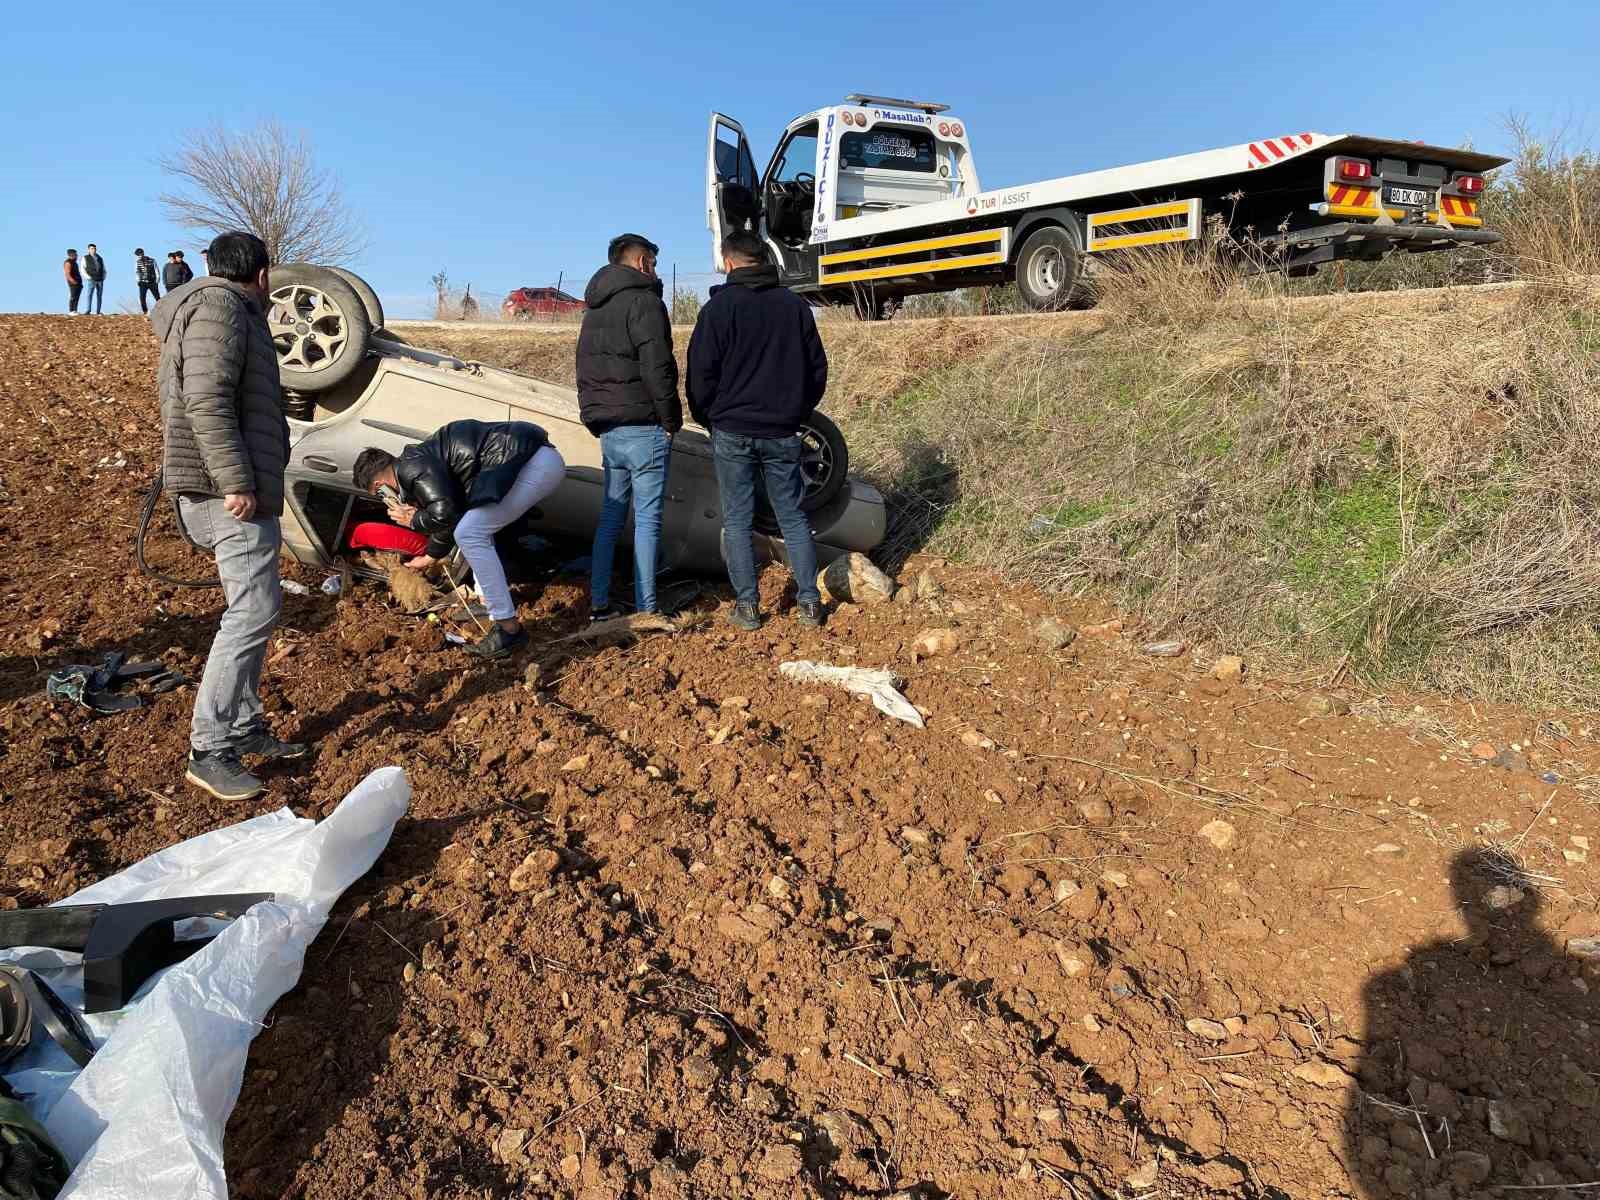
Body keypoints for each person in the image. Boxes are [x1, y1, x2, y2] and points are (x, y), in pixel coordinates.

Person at [151, 230, 304, 802]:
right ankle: (210, 748)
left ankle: (241, 727)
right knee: (253, 610)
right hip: (229, 492)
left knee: (257, 608)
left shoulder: (216, 310)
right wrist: (236, 479)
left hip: (228, 486)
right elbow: (208, 400)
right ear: (262, 275)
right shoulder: (222, 309)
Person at [687, 231, 829, 630]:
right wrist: (796, 411)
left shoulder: (717, 310)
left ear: (728, 262)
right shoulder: (794, 307)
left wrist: (710, 417)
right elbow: (817, 368)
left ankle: (748, 607)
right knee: (793, 516)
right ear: (764, 259)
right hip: (783, 430)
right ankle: (809, 604)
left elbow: (700, 375)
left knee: (737, 520)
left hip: (732, 429)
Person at [353, 420, 566, 659]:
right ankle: (488, 602)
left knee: (470, 532)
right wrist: (429, 556)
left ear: (380, 485)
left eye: (379, 495)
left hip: (533, 464)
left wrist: (413, 521)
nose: (385, 500)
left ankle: (508, 629)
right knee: (474, 528)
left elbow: (446, 513)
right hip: (534, 460)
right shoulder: (417, 462)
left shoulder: (412, 468)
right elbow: (450, 518)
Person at [576, 233, 681, 621]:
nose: (655, 271)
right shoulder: (645, 302)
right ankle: (647, 608)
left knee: (611, 517)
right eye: (653, 263)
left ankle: (600, 603)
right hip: (643, 427)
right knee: (648, 520)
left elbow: (584, 370)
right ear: (642, 264)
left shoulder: (593, 309)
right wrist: (671, 421)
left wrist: (595, 419)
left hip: (610, 431)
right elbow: (658, 368)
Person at [81, 243, 106, 314]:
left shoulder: (100, 258)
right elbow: (82, 269)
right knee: (89, 294)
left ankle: (98, 311)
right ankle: (88, 310)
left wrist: (104, 277)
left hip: (100, 279)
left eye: (94, 249)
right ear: (88, 250)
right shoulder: (85, 257)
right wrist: (88, 277)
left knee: (99, 295)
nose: (93, 250)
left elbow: (104, 269)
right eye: (92, 249)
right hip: (91, 279)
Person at [134, 247, 160, 313]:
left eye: (139, 255)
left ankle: (161, 309)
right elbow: (136, 272)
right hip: (142, 282)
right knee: (142, 297)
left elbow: (156, 270)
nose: (139, 256)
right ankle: (145, 311)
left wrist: (157, 280)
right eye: (137, 255)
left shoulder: (152, 260)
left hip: (152, 281)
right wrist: (138, 281)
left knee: (157, 297)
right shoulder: (137, 262)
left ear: (143, 253)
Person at [63, 249, 83, 314]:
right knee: (73, 296)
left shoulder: (75, 263)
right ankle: (71, 310)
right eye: (75, 254)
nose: (77, 256)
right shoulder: (68, 262)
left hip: (78, 283)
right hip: (73, 283)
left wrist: (79, 282)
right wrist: (73, 281)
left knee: (77, 297)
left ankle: (75, 310)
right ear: (71, 255)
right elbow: (67, 274)